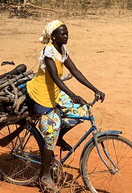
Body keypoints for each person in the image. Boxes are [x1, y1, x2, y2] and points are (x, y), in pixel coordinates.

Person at [26, 20, 105, 191]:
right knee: (50, 132)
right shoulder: (48, 51)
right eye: (63, 33)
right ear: (53, 36)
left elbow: (75, 71)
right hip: (41, 96)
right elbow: (54, 76)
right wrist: (73, 95)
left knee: (82, 109)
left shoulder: (62, 50)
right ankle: (45, 177)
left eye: (67, 33)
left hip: (54, 93)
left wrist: (95, 89)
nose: (66, 36)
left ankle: (59, 136)